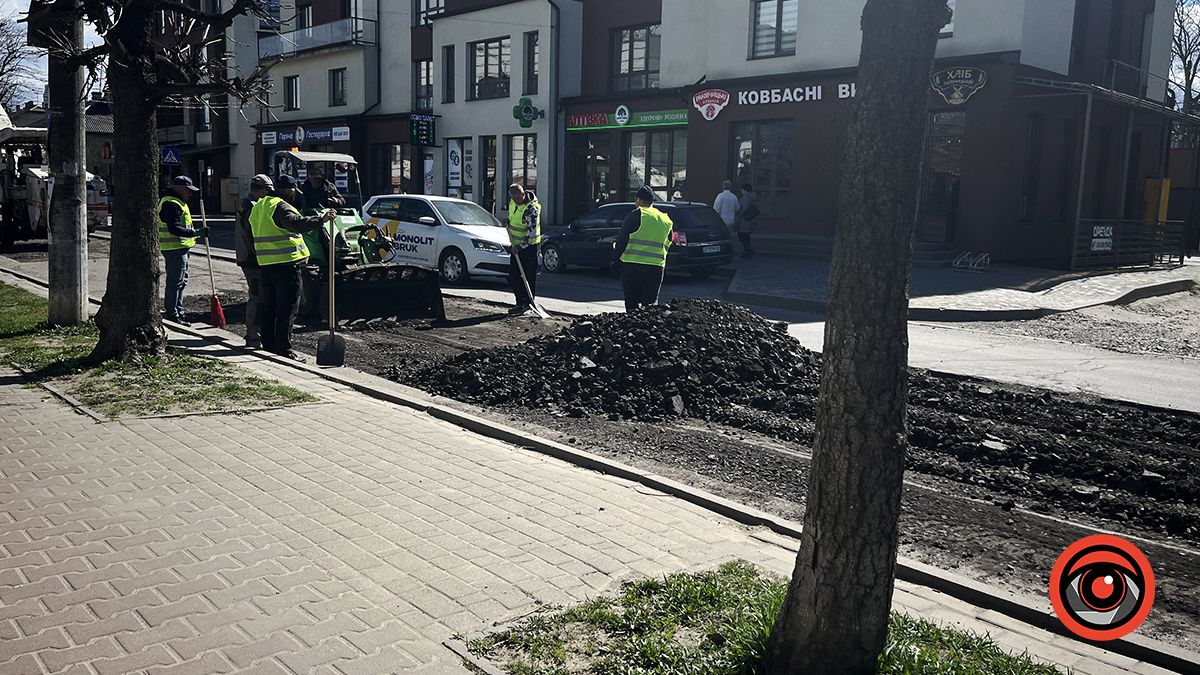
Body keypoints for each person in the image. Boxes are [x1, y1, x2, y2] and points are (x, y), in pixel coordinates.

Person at [249, 179, 337, 362]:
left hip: (266, 265)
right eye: (293, 191)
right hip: (286, 266)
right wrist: (321, 220)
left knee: (270, 307)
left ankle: (269, 344)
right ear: (288, 191)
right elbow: (296, 224)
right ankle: (284, 348)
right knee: (287, 308)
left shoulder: (258, 207)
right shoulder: (280, 206)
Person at [614, 185, 674, 313]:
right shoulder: (666, 219)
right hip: (656, 267)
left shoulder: (635, 215)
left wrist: (616, 259)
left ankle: (633, 328)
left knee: (631, 302)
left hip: (632, 265)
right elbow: (669, 241)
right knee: (651, 304)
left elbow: (622, 240)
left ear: (639, 200)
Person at [158, 175, 208, 325]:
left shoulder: (178, 202)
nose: (190, 193)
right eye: (188, 190)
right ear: (180, 189)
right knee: (175, 282)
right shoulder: (171, 203)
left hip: (181, 248)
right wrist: (195, 233)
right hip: (174, 249)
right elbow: (174, 228)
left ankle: (178, 311)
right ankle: (172, 314)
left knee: (181, 281)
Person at [235, 174, 273, 349]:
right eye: (267, 190)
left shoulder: (246, 204)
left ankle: (256, 334)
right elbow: (253, 234)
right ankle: (253, 336)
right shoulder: (252, 207)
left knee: (258, 296)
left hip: (248, 257)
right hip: (253, 259)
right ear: (260, 190)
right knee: (258, 297)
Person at [506, 183, 542, 313]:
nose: (516, 200)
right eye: (513, 198)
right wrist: (507, 222)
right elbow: (515, 220)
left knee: (528, 276)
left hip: (529, 247)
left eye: (518, 197)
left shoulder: (531, 209)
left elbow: (530, 232)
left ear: (523, 194)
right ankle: (519, 302)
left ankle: (528, 304)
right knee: (513, 276)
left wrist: (520, 247)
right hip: (515, 247)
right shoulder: (513, 203)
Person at [737, 183, 759, 258]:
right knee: (746, 236)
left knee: (741, 235)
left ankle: (747, 250)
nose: (741, 191)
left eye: (742, 190)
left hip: (745, 220)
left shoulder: (745, 198)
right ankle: (747, 250)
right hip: (751, 219)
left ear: (745, 190)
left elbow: (743, 208)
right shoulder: (754, 197)